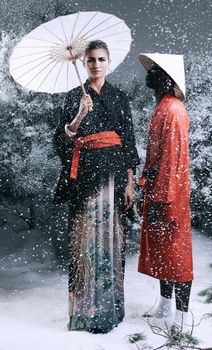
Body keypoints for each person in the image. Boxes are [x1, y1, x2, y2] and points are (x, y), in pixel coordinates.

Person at [53, 40, 140, 333]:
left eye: (101, 59)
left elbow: (128, 143)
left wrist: (130, 183)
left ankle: (111, 310)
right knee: (83, 240)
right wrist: (79, 115)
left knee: (113, 238)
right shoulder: (72, 97)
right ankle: (84, 313)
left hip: (115, 177)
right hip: (86, 179)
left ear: (109, 61)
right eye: (90, 59)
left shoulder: (120, 97)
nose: (95, 64)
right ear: (84, 63)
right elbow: (61, 142)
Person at [137, 53, 193, 333]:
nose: (149, 73)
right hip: (160, 189)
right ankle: (164, 303)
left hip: (171, 193)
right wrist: (146, 184)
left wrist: (163, 198)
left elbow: (173, 161)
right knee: (162, 249)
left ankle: (181, 318)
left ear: (166, 78)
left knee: (178, 253)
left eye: (155, 70)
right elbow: (157, 156)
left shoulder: (173, 110)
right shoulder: (163, 106)